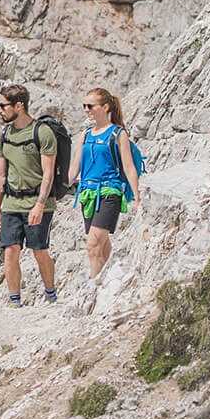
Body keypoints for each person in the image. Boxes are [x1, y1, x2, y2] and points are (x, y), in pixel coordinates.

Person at [0, 84, 60, 306]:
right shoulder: (4, 135)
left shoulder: (42, 133)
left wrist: (39, 205)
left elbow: (48, 173)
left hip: (38, 203)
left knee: (39, 251)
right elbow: (1, 175)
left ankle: (50, 294)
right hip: (11, 203)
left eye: (3, 105)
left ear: (19, 105)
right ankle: (14, 301)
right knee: (10, 251)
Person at [70, 87, 141, 278]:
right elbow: (75, 166)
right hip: (87, 194)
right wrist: (59, 188)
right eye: (85, 105)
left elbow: (129, 167)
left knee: (93, 245)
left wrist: (136, 196)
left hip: (109, 193)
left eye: (91, 106)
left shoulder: (118, 134)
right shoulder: (85, 135)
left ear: (105, 107)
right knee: (101, 246)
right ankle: (109, 279)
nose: (86, 109)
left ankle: (92, 288)